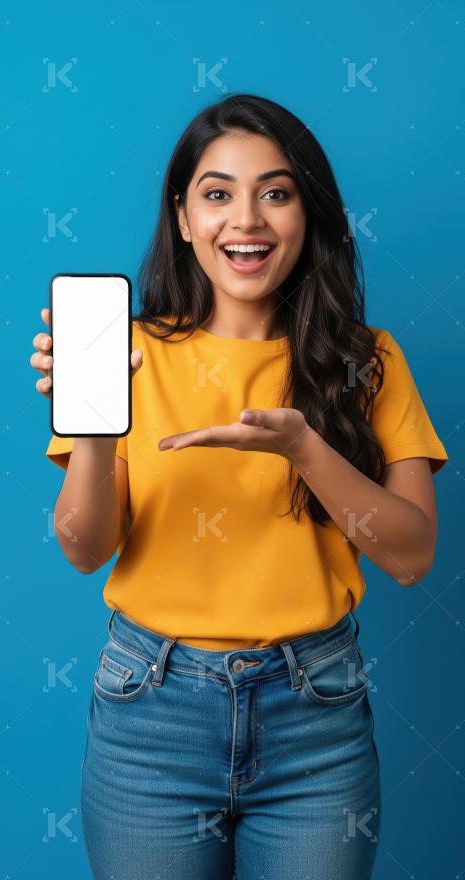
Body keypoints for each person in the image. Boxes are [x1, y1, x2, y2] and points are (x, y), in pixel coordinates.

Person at [32, 94, 448, 880]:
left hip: (316, 719)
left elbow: (412, 555)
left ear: (307, 213)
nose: (246, 219)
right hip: (148, 713)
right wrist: (91, 427)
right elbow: (85, 549)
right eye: (217, 193)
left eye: (276, 193)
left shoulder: (370, 362)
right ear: (184, 218)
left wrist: (303, 448)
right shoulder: (125, 357)